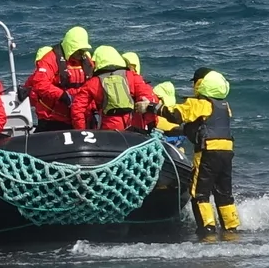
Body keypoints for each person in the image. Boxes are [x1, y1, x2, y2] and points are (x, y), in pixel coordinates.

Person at [157, 69, 239, 238]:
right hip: (227, 152)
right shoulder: (225, 107)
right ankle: (231, 229)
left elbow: (176, 114)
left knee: (199, 193)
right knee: (224, 193)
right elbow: (204, 124)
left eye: (194, 82)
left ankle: (207, 230)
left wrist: (155, 108)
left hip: (208, 152)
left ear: (201, 84)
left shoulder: (200, 104)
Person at [69, 45, 160, 132]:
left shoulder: (93, 82)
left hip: (109, 130)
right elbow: (148, 99)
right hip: (134, 127)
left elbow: (77, 109)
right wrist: (151, 125)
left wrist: (82, 131)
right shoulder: (132, 76)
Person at [23, 26, 95, 129]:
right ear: (71, 47)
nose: (81, 53)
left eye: (83, 50)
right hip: (54, 119)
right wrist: (62, 96)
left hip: (81, 116)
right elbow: (40, 83)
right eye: (79, 50)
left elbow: (94, 85)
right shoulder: (51, 59)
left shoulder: (86, 60)